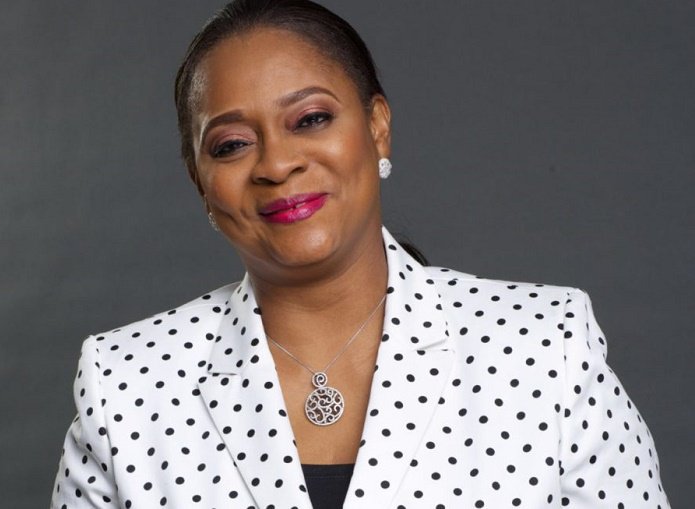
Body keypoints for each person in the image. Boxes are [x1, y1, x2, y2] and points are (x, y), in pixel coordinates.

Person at [50, 1, 670, 508]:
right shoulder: (126, 384)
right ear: (200, 183)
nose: (277, 164)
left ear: (377, 128)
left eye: (310, 119)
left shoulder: (544, 346)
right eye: (232, 144)